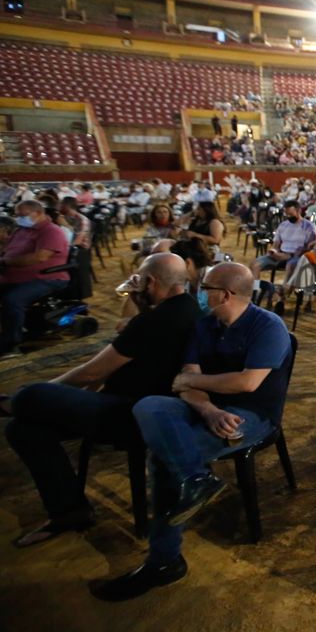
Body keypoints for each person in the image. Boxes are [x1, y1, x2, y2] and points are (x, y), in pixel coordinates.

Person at [91, 262, 291, 601]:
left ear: (224, 294)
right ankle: (195, 479)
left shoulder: (267, 326)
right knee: (149, 406)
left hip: (252, 415)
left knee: (162, 458)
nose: (199, 291)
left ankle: (164, 560)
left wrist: (195, 384)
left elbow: (246, 381)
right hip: (209, 407)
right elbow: (184, 380)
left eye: (205, 286)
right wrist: (208, 408)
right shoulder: (206, 325)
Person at [5, 254, 201, 548]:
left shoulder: (153, 320)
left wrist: (47, 394)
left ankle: (10, 402)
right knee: (22, 430)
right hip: (156, 412)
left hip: (129, 415)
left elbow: (92, 372)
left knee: (33, 395)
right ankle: (70, 511)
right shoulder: (189, 309)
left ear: (149, 281)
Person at [0, 200, 71, 358]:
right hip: (12, 275)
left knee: (13, 300)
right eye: (17, 215)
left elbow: (40, 257)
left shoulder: (51, 231)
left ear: (38, 213)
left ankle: (11, 345)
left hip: (46, 277)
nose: (19, 218)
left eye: (22, 215)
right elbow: (6, 248)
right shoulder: (22, 230)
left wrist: (5, 262)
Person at [250, 200, 316, 300]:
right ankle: (255, 293)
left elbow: (308, 247)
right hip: (280, 254)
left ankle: (283, 294)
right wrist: (274, 251)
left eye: (290, 214)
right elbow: (276, 243)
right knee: (255, 264)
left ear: (298, 211)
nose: (288, 216)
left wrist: (291, 255)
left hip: (296, 256)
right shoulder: (283, 225)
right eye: (286, 214)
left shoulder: (309, 227)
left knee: (291, 265)